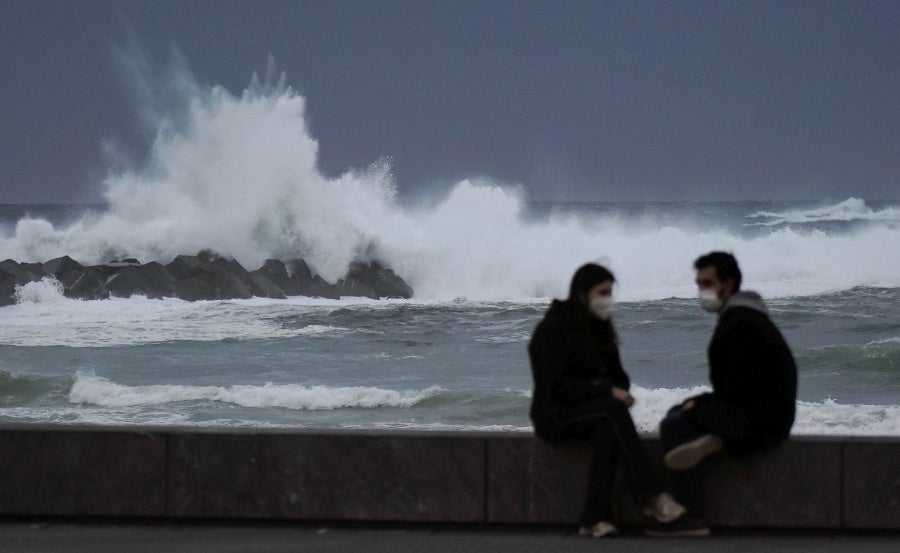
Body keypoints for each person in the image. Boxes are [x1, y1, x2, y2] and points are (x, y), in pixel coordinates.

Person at [528, 263, 685, 538]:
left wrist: (614, 390)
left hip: (595, 413)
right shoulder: (552, 330)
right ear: (582, 293)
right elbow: (555, 389)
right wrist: (605, 390)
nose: (607, 299)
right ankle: (650, 494)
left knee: (608, 428)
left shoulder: (600, 329)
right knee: (611, 412)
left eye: (610, 292)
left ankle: (594, 517)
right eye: (602, 292)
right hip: (555, 416)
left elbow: (619, 377)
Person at [650, 251, 797, 537]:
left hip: (762, 418)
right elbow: (738, 384)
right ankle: (713, 437)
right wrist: (702, 405)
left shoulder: (740, 323)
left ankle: (692, 517)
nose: (701, 291)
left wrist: (702, 407)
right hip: (761, 409)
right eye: (698, 284)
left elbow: (739, 389)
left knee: (673, 425)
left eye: (707, 283)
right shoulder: (741, 315)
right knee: (679, 413)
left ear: (727, 284)